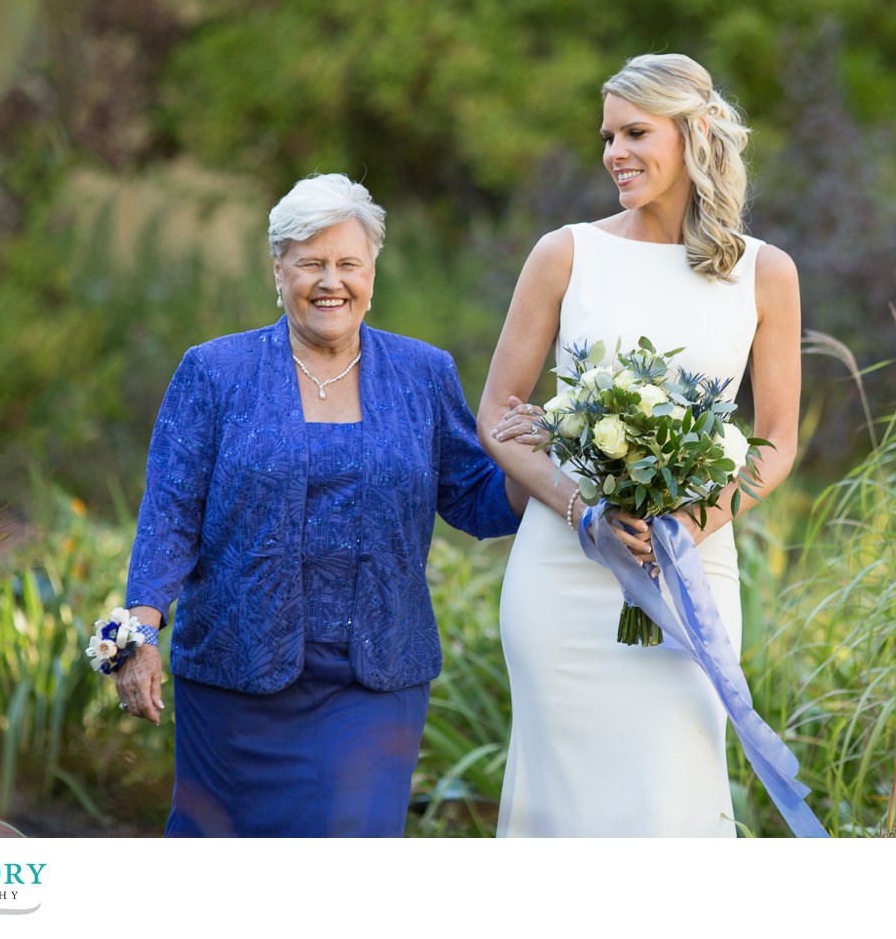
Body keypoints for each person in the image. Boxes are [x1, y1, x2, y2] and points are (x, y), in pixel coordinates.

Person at [113, 173, 525, 837]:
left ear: (372, 273)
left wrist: (545, 465)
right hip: (232, 679)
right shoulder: (215, 372)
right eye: (311, 263)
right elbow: (168, 512)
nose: (331, 280)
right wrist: (130, 640)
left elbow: (475, 499)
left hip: (375, 677)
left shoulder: (424, 373)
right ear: (278, 270)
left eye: (348, 264)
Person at [479, 53, 802, 836]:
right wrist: (581, 506)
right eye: (606, 136)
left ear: (693, 135)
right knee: (564, 811)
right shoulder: (565, 254)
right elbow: (496, 413)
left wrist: (693, 525)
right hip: (562, 577)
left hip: (689, 574)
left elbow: (778, 439)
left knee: (671, 798)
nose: (613, 153)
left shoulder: (766, 273)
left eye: (634, 133)